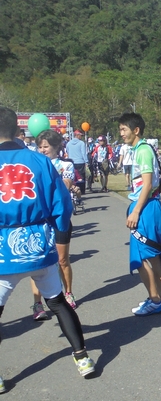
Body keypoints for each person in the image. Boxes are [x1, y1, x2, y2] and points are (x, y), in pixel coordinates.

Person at [0, 107, 96, 392]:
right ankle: (83, 357)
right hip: (39, 246)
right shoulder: (39, 161)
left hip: (4, 251)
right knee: (57, 302)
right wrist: (55, 231)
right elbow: (62, 204)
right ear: (18, 130)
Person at [119, 112, 161, 316]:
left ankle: (156, 299)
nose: (121, 134)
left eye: (124, 129)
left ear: (136, 130)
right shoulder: (142, 149)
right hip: (150, 205)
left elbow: (147, 184)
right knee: (154, 256)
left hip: (146, 207)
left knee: (141, 258)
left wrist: (136, 212)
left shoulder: (142, 151)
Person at [29, 129, 80, 319]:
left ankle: (68, 292)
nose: (42, 150)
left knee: (62, 260)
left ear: (56, 147)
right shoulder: (33, 164)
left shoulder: (64, 164)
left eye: (46, 147)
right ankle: (37, 303)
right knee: (37, 263)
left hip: (59, 218)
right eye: (40, 147)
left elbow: (65, 185)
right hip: (39, 220)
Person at [65, 130, 89, 194]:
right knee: (81, 177)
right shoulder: (81, 143)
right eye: (80, 135)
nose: (81, 137)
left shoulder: (68, 143)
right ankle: (82, 190)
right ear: (77, 135)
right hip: (80, 161)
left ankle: (74, 189)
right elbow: (84, 153)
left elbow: (67, 152)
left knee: (74, 176)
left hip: (72, 162)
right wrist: (86, 161)